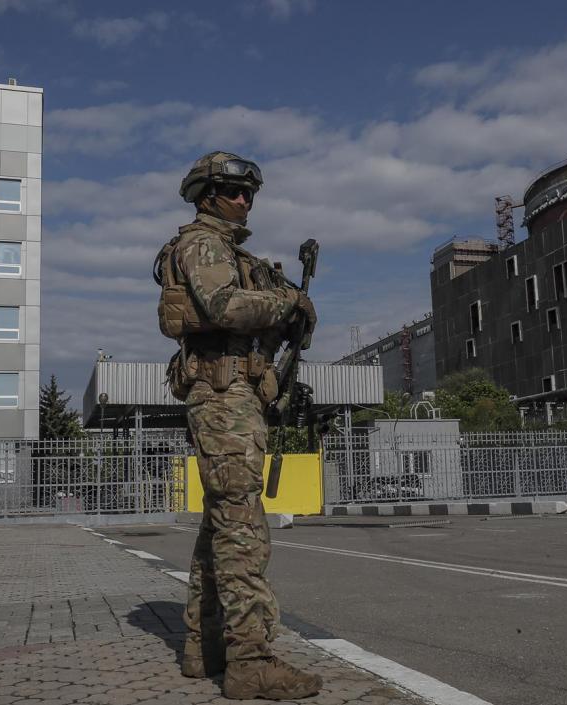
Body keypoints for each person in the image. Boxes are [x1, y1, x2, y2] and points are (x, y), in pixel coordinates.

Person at [155, 151, 320, 700]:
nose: (244, 200)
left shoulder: (230, 250)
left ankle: (205, 649)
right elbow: (226, 308)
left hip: (232, 395)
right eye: (232, 191)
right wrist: (287, 300)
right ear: (207, 195)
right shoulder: (202, 244)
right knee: (243, 528)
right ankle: (251, 661)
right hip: (222, 398)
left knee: (221, 524)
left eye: (250, 192)